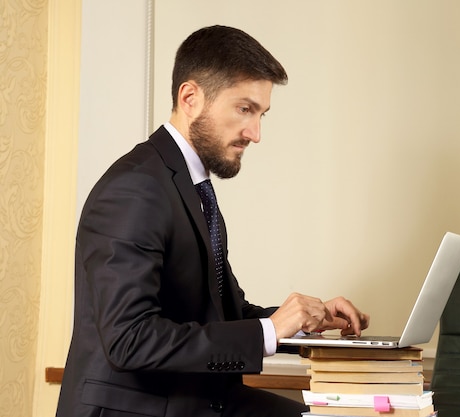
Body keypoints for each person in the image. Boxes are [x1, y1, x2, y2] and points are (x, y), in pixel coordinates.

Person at [55, 25, 369, 417]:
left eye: (261, 114)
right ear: (190, 98)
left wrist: (304, 322)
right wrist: (270, 330)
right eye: (244, 109)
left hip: (192, 400)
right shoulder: (136, 188)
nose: (255, 133)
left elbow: (222, 314)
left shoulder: (191, 185)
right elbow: (129, 339)